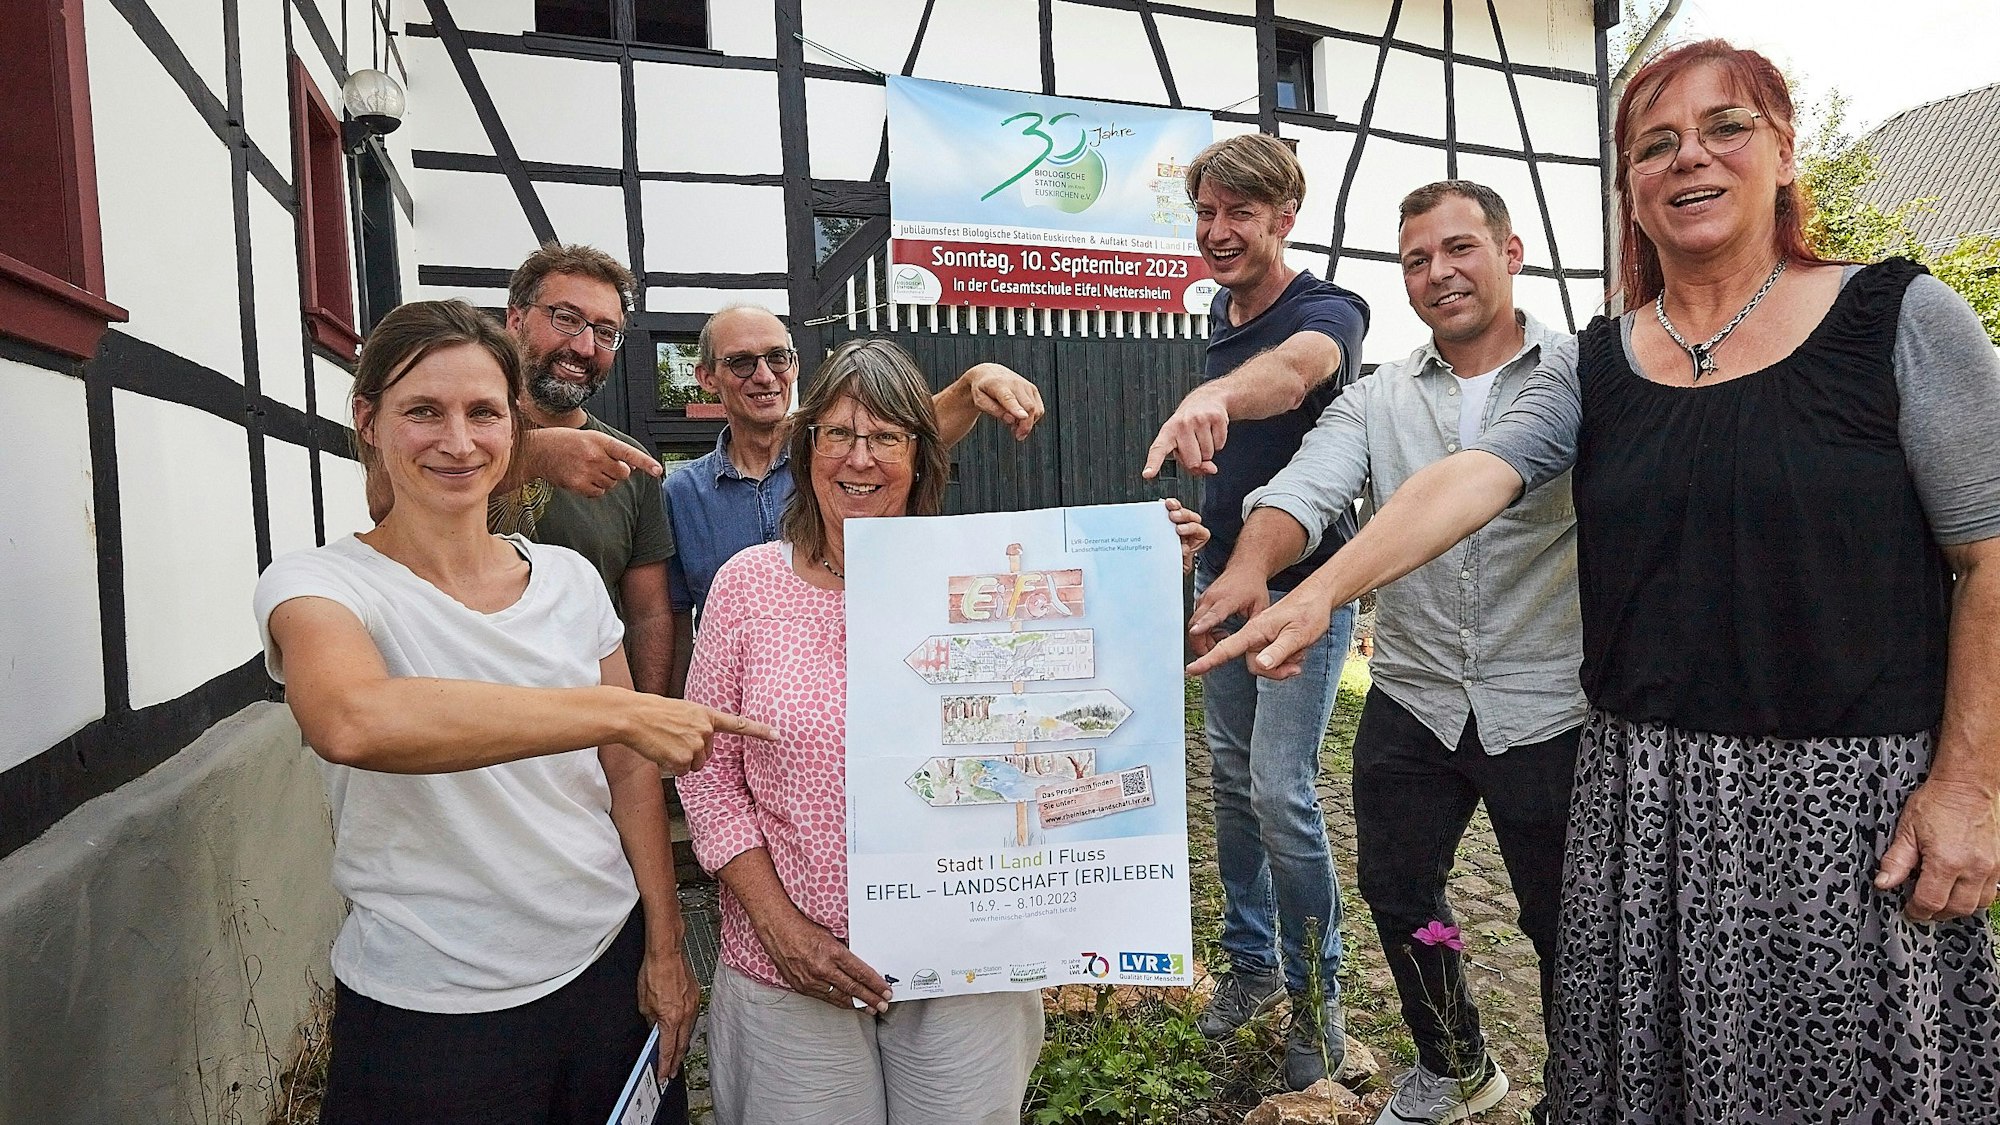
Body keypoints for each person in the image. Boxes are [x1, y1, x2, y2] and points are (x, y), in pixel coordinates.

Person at [1196, 40, 2000, 1123]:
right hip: (1583, 761)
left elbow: (1986, 551)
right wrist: (1306, 586)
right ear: (1627, 183)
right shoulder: (1594, 363)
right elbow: (1458, 478)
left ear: (1782, 151)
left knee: (1611, 958)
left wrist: (1967, 784)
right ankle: (1452, 1053)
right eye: (1653, 144)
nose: (1688, 159)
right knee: (1411, 903)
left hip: (1769, 776)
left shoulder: (1896, 317)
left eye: (1725, 128)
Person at [252, 299, 774, 1124]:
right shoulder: (320, 586)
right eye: (423, 410)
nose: (458, 442)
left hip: (605, 969)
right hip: (430, 1009)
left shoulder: (567, 577)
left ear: (512, 426)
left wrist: (666, 947)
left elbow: (629, 772)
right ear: (368, 419)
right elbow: (353, 719)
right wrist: (614, 711)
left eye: (483, 413)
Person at [678, 338, 1207, 1124]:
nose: (860, 457)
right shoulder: (747, 586)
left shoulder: (980, 583)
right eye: (839, 433)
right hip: (792, 967)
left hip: (966, 958)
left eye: (887, 436)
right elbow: (709, 775)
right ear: (807, 445)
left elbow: (1077, 699)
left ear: (921, 457)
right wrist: (780, 927)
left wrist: (1147, 572)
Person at [1198, 180, 1582, 1123]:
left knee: (1559, 920)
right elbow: (1307, 488)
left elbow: (1477, 486)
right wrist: (1253, 566)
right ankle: (1456, 1060)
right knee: (1404, 891)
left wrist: (1322, 589)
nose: (1438, 273)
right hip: (1413, 695)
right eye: (1416, 259)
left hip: (1549, 701)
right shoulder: (1379, 398)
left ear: (1511, 252)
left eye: (1459, 249)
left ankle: (1582, 1086)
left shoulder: (1580, 374)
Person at [1144, 131, 1371, 1089]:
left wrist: (1212, 394)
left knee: (1282, 790)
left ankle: (1320, 1003)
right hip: (1221, 584)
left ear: (1285, 218)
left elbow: (1293, 375)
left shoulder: (1330, 309)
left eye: (1240, 213)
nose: (1219, 231)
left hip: (1303, 596)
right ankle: (1251, 965)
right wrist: (1205, 529)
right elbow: (1241, 462)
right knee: (1230, 782)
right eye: (1206, 213)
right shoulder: (1217, 312)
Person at [663, 304, 1044, 684]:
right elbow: (670, 618)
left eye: (778, 358)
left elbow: (903, 434)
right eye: (741, 362)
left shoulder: (832, 460)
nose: (764, 376)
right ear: (707, 377)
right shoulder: (683, 496)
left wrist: (972, 384)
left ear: (794, 365)